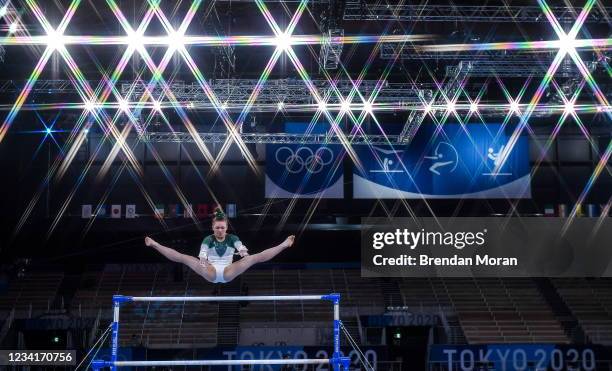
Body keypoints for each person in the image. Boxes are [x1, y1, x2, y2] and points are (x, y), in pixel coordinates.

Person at [144, 208, 295, 283]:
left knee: (255, 258)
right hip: (211, 271)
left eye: (223, 227)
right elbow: (203, 251)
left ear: (227, 228)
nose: (220, 230)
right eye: (217, 228)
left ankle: (284, 244)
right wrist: (202, 259)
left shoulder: (232, 238)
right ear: (213, 228)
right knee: (184, 258)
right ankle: (155, 244)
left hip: (229, 271)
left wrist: (243, 252)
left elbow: (240, 246)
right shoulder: (208, 239)